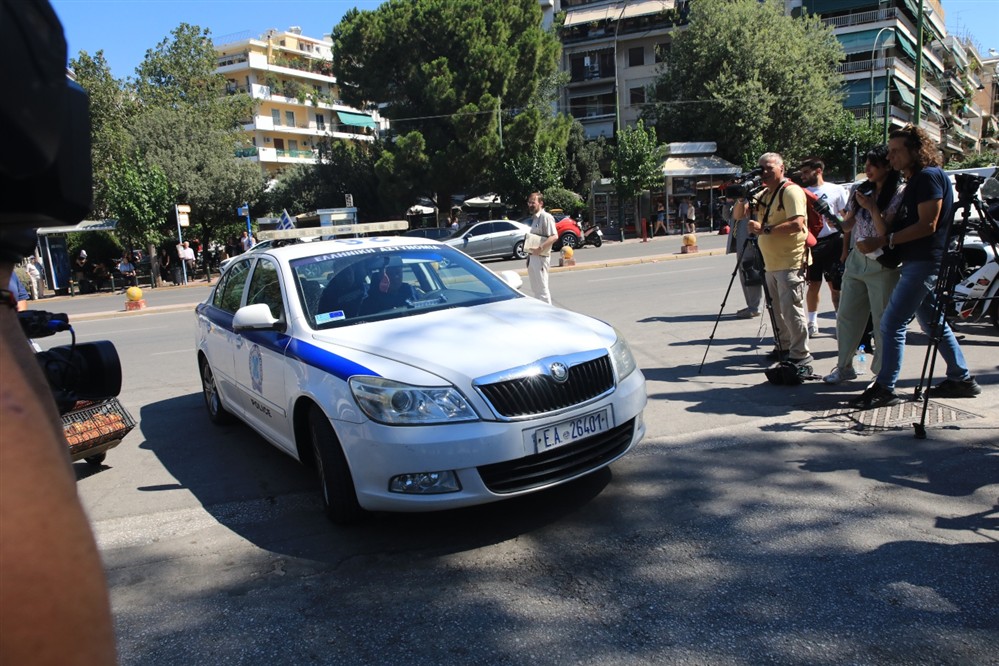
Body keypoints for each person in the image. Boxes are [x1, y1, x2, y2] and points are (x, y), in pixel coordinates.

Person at [849, 125, 981, 407]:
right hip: (916, 261)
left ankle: (885, 387)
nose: (891, 157)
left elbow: (928, 225)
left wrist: (886, 239)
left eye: (896, 151)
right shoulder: (918, 179)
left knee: (892, 323)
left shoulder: (928, 177)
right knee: (933, 322)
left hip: (924, 261)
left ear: (916, 151)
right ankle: (961, 378)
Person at [823, 145, 904, 384]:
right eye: (866, 164)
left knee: (882, 320)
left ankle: (882, 374)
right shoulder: (859, 189)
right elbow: (847, 226)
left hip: (883, 262)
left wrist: (872, 207)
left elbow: (884, 232)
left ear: (887, 166)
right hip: (857, 260)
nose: (867, 169)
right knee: (847, 315)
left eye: (872, 164)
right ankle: (844, 366)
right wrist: (831, 217)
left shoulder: (899, 192)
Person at [747, 152, 812, 366]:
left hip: (790, 262)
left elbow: (797, 224)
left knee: (791, 309)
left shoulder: (790, 192)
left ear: (781, 168)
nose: (764, 173)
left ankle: (800, 354)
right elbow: (739, 214)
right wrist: (741, 195)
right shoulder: (765, 194)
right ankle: (783, 346)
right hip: (771, 263)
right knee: (776, 309)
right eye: (761, 168)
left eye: (769, 168)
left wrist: (764, 229)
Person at [797, 158, 850, 337]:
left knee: (836, 286)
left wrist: (838, 223)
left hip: (834, 241)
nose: (803, 176)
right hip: (813, 243)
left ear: (818, 170)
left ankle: (841, 321)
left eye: (806, 172)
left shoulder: (836, 189)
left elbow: (847, 218)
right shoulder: (801, 193)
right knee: (813, 284)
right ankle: (812, 322)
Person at [730, 196, 763, 318]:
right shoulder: (739, 199)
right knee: (745, 272)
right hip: (740, 241)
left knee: (750, 270)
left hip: (751, 239)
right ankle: (752, 305)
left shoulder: (756, 196)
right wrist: (729, 202)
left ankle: (755, 307)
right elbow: (729, 216)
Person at [525, 191, 558, 305]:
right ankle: (541, 313)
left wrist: (540, 248)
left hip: (541, 258)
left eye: (533, 202)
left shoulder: (546, 217)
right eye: (529, 202)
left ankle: (549, 315)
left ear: (541, 203)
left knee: (542, 290)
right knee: (536, 290)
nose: (530, 205)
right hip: (533, 258)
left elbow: (554, 236)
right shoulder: (535, 218)